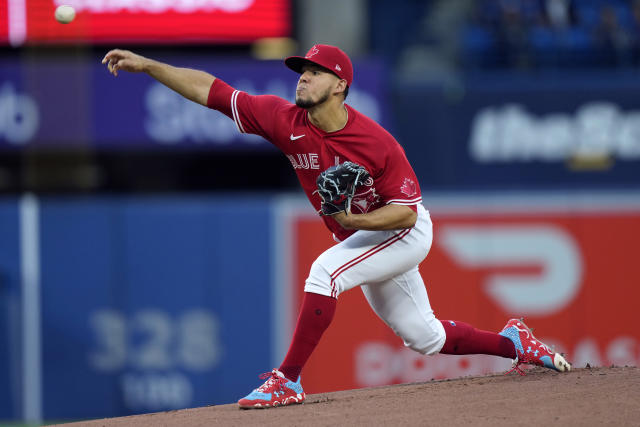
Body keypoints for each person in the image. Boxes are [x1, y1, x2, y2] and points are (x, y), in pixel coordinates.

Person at [102, 44, 571, 409]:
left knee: (326, 272)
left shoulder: (376, 141)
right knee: (423, 336)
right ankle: (515, 343)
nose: (303, 76)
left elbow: (406, 212)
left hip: (403, 231)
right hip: (363, 234)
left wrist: (352, 220)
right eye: (301, 70)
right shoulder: (283, 120)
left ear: (339, 85)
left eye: (314, 71)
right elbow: (213, 91)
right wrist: (150, 66)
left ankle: (286, 380)